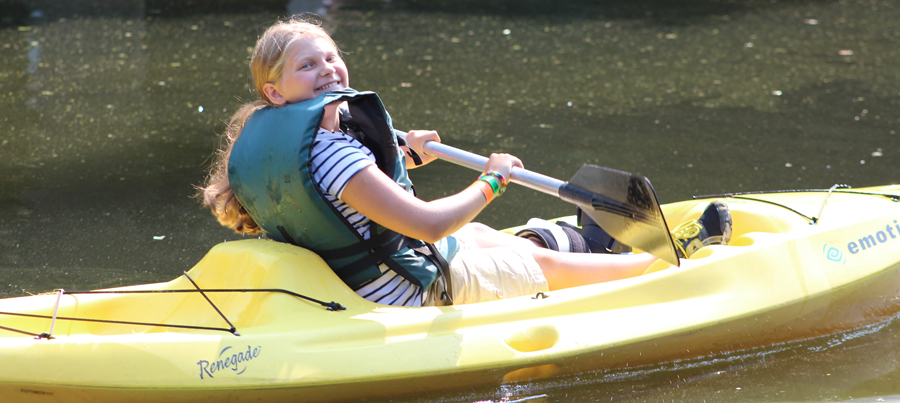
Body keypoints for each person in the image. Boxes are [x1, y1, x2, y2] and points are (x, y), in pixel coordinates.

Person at [199, 18, 731, 307]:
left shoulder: (284, 141)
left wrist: (403, 155)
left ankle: (580, 247)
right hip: (403, 290)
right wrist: (492, 180)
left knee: (478, 239)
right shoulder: (331, 150)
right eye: (307, 66)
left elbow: (338, 198)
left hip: (357, 274)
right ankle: (663, 265)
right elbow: (426, 222)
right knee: (532, 264)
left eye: (331, 57)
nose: (329, 69)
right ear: (274, 91)